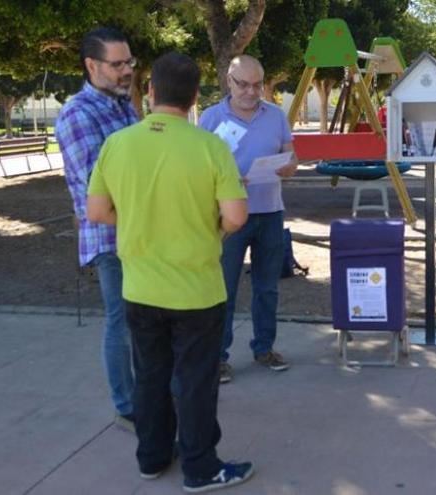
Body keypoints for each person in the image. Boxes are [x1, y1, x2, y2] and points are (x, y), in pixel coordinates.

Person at [87, 52, 254, 492]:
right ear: (196, 96)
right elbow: (236, 216)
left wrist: (143, 221)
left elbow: (98, 210)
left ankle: (152, 456)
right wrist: (212, 232)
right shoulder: (210, 146)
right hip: (197, 289)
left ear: (152, 92)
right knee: (197, 382)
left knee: (150, 376)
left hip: (140, 287)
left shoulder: (118, 144)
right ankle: (200, 467)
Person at [55, 27, 138, 430]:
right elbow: (97, 192)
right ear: (92, 66)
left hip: (140, 232)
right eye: (117, 64)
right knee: (121, 322)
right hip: (109, 237)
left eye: (129, 62)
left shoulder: (124, 106)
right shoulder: (78, 114)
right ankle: (127, 407)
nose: (127, 71)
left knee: (146, 319)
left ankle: (152, 392)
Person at [199, 55, 298, 384]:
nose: (251, 92)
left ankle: (264, 348)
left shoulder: (276, 116)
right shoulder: (211, 118)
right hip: (229, 216)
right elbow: (198, 171)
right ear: (229, 80)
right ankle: (217, 358)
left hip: (270, 212)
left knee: (267, 288)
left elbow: (292, 155)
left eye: (258, 85)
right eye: (243, 84)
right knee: (222, 289)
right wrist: (225, 182)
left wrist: (289, 166)